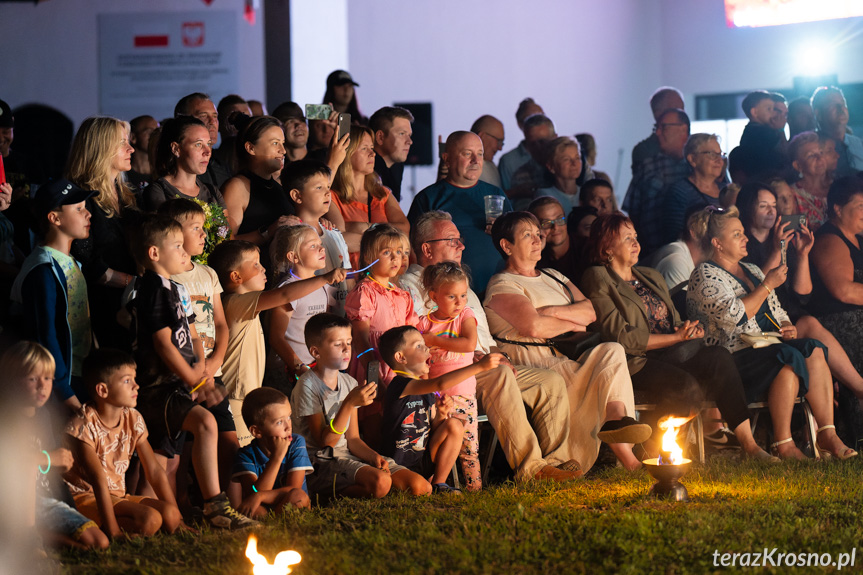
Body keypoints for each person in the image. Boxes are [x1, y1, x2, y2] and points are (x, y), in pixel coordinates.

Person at [401, 211, 583, 483]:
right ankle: (531, 469)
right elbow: (417, 341)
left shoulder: (464, 288)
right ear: (426, 249)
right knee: (499, 375)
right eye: (452, 240)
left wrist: (499, 354)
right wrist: (470, 352)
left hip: (483, 364)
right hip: (449, 372)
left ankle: (555, 463)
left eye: (460, 240)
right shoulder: (410, 287)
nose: (462, 246)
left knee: (549, 381)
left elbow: (487, 341)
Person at [581, 214, 777, 461]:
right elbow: (620, 337)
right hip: (637, 360)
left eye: (636, 237)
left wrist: (689, 330)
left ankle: (749, 445)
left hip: (672, 351)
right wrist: (675, 337)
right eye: (627, 238)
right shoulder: (598, 277)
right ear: (607, 247)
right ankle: (655, 452)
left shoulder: (650, 276)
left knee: (718, 356)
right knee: (684, 385)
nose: (636, 243)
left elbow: (673, 321)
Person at [484, 211, 651, 472]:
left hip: (565, 356)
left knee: (612, 349)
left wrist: (549, 312)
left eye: (538, 234)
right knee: (598, 360)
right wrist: (567, 319)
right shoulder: (502, 283)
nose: (537, 239)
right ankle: (625, 459)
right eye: (527, 235)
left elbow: (590, 313)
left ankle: (619, 421)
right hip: (535, 363)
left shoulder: (553, 275)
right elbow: (533, 326)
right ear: (507, 246)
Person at [686, 206, 856, 460]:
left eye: (744, 233)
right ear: (717, 243)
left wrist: (787, 325)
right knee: (786, 357)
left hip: (769, 347)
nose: (745, 239)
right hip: (733, 357)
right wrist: (767, 284)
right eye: (736, 235)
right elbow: (733, 318)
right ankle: (784, 443)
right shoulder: (705, 275)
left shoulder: (752, 269)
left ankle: (827, 432)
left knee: (814, 349)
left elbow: (777, 310)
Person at [127, 215, 258, 528]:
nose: (184, 249)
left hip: (181, 384)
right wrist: (194, 379)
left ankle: (140, 517)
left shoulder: (175, 288)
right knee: (206, 423)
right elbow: (162, 343)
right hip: (160, 386)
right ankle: (215, 506)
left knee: (159, 460)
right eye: (176, 245)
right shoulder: (152, 289)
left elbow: (194, 333)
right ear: (154, 254)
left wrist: (201, 364)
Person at [208, 239, 347, 445]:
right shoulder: (235, 303)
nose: (263, 268)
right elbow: (283, 294)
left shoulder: (244, 304)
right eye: (255, 264)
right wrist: (324, 278)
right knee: (236, 461)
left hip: (244, 395)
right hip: (234, 396)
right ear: (236, 276)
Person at [737, 182, 863, 405]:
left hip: (789, 316)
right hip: (759, 320)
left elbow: (802, 294)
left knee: (806, 321)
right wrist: (778, 250)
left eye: (774, 205)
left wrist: (803, 254)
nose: (771, 211)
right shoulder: (741, 244)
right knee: (808, 323)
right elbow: (755, 290)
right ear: (748, 209)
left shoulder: (782, 239)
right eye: (763, 205)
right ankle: (859, 388)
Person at [291, 313, 431, 498]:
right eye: (337, 344)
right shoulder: (308, 384)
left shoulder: (349, 382)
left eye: (349, 343)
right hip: (322, 462)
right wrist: (349, 404)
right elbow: (325, 442)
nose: (346, 350)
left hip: (349, 455)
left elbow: (354, 439)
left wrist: (373, 456)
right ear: (316, 352)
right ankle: (324, 496)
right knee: (381, 483)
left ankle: (373, 488)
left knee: (420, 487)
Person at [157, 198, 239, 505]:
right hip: (182, 378)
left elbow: (220, 322)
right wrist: (195, 372)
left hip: (210, 374)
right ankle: (179, 504)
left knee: (227, 441)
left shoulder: (207, 274)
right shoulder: (167, 281)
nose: (204, 234)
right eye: (196, 228)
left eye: (204, 227)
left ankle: (226, 503)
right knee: (177, 450)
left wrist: (215, 361)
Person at [0, 342, 109, 551]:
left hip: (44, 500)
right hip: (12, 500)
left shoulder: (44, 416)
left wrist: (60, 464)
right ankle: (30, 542)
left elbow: (50, 468)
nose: (42, 386)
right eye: (32, 378)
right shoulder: (6, 417)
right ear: (11, 380)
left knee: (99, 542)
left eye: (48, 378)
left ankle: (39, 538)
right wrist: (49, 459)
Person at [63, 349, 185, 537]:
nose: (136, 386)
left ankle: (130, 523)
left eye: (134, 379)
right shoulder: (83, 425)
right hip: (85, 498)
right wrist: (114, 532)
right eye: (127, 381)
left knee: (170, 515)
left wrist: (179, 520)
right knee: (151, 520)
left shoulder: (133, 418)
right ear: (102, 390)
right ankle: (106, 527)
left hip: (118, 497)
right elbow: (98, 480)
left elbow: (154, 471)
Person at [379, 326, 503, 494]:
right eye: (419, 346)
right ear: (400, 357)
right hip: (399, 464)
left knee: (454, 425)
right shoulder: (399, 385)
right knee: (419, 488)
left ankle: (439, 483)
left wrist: (442, 414)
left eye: (425, 345)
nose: (427, 350)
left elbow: (432, 429)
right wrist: (479, 367)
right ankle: (423, 485)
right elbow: (440, 383)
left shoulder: (426, 391)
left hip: (423, 459)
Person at [12, 179, 95, 411]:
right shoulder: (42, 269)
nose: (88, 214)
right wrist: (66, 396)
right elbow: (45, 337)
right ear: (55, 218)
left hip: (79, 375)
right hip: (60, 389)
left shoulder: (71, 262)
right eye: (78, 209)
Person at [67, 116, 139, 351]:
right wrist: (137, 283)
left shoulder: (126, 194)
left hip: (129, 304)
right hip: (101, 309)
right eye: (122, 143)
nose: (131, 148)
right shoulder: (79, 199)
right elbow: (88, 266)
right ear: (100, 149)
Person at [408, 131, 511, 293]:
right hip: (448, 293)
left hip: (498, 289)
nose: (475, 161)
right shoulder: (428, 198)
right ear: (447, 159)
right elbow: (413, 251)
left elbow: (516, 241)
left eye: (480, 154)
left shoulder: (496, 194)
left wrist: (503, 231)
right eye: (467, 154)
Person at [344, 224, 417, 446]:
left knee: (400, 424)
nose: (396, 258)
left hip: (399, 367)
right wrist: (374, 372)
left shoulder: (402, 294)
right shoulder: (364, 292)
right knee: (375, 421)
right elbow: (360, 339)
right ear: (369, 256)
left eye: (400, 252)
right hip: (373, 365)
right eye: (387, 252)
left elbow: (411, 334)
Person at [415, 262, 484, 491]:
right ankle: (435, 484)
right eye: (452, 296)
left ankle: (475, 490)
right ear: (434, 296)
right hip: (435, 400)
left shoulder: (465, 315)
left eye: (463, 295)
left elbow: (469, 344)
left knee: (469, 447)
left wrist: (433, 341)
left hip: (463, 395)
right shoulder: (423, 323)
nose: (459, 302)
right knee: (437, 444)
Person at [266, 224, 341, 385]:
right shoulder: (287, 289)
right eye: (313, 246)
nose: (322, 249)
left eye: (320, 244)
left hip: (314, 368)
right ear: (294, 256)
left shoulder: (324, 286)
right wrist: (298, 367)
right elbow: (276, 337)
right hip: (288, 371)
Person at [810, 176, 863, 393]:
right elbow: (844, 291)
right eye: (861, 206)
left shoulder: (858, 239)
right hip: (840, 324)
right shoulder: (829, 240)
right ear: (838, 209)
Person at [329, 124, 409, 268]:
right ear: (346, 153)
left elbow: (404, 229)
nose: (373, 154)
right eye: (365, 148)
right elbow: (339, 241)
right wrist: (384, 240)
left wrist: (361, 227)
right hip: (350, 280)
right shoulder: (331, 196)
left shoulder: (382, 193)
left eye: (372, 148)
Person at [282, 159, 350, 314]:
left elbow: (349, 281)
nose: (327, 193)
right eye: (319, 188)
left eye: (328, 187)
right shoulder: (290, 236)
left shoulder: (334, 233)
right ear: (297, 196)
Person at [232, 387, 312, 517]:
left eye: (289, 417)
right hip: (265, 510)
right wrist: (277, 457)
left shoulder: (296, 443)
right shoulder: (245, 455)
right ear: (257, 431)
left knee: (298, 496)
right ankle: (275, 527)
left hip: (292, 505)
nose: (288, 426)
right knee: (253, 509)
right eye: (279, 422)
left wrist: (260, 496)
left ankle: (274, 527)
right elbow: (253, 491)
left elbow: (294, 488)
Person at [623, 108, 691, 256]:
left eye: (663, 127)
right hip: (654, 256)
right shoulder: (648, 166)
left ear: (683, 129)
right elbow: (632, 213)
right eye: (657, 128)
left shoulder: (699, 166)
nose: (658, 133)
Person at [222, 116, 297, 247]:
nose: (283, 151)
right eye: (275, 143)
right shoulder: (237, 187)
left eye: (283, 143)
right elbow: (226, 244)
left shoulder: (278, 185)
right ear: (250, 148)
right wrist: (267, 232)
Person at [143, 116, 225, 212]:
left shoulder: (212, 192)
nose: (207, 152)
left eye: (209, 144)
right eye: (198, 144)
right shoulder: (159, 191)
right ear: (176, 149)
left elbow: (226, 226)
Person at [661, 133, 726, 245]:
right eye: (711, 154)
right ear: (692, 159)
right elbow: (675, 236)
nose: (719, 160)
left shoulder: (726, 190)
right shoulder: (680, 191)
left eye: (720, 154)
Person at [174, 93, 231, 189]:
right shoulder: (177, 170)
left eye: (215, 116)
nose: (212, 122)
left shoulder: (222, 167)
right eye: (203, 116)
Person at [506, 114, 558, 210]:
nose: (538, 148)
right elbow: (524, 212)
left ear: (555, 138)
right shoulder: (522, 175)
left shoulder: (570, 166)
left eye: (542, 141)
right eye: (532, 143)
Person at [811, 86, 863, 178]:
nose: (841, 108)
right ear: (818, 114)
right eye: (833, 105)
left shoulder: (859, 143)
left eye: (843, 104)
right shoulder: (811, 147)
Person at [631, 87, 684, 175]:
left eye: (682, 109)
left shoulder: (694, 145)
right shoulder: (644, 151)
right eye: (676, 109)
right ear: (658, 113)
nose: (682, 114)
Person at [528, 196, 580, 283]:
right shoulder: (536, 255)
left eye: (560, 219)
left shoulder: (586, 248)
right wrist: (536, 251)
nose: (555, 227)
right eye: (546, 223)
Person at [735, 90, 786, 180]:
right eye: (769, 109)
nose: (773, 113)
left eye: (773, 109)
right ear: (754, 112)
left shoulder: (751, 131)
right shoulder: (762, 133)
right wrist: (780, 129)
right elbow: (783, 154)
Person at [369, 106, 414, 201]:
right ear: (380, 137)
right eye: (402, 134)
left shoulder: (397, 166)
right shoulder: (364, 168)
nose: (409, 141)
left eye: (409, 135)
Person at [787, 131, 830, 231]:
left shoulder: (838, 187)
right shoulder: (791, 195)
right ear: (798, 165)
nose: (819, 158)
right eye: (811, 155)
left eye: (820, 152)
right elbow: (789, 238)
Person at [499, 98, 544, 191]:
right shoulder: (508, 161)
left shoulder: (556, 152)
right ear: (520, 124)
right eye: (531, 119)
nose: (539, 123)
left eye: (542, 117)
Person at [534, 136, 584, 211]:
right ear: (551, 167)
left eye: (577, 158)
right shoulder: (544, 195)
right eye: (566, 159)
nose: (574, 163)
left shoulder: (587, 193)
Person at [213, 95, 251, 176]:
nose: (241, 124)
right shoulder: (211, 162)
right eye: (234, 119)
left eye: (246, 118)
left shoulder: (256, 162)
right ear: (219, 124)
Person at [471, 115, 505, 189]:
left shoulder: (492, 167)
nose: (500, 148)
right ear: (482, 136)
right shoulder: (463, 166)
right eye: (498, 141)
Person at [127, 115, 159, 194]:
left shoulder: (164, 173)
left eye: (157, 132)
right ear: (133, 137)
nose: (155, 136)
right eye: (150, 132)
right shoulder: (122, 176)